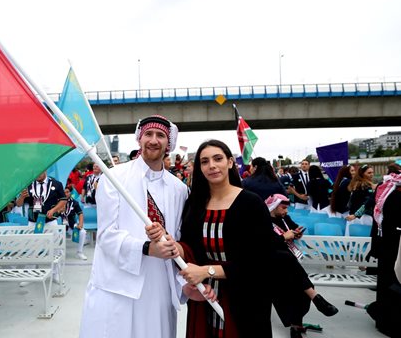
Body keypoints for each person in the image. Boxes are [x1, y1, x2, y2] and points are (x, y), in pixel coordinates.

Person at [79, 115, 188, 338]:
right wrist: (146, 248)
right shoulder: (114, 178)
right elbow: (106, 236)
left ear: (169, 143)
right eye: (148, 134)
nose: (154, 140)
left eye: (160, 136)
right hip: (119, 285)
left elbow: (178, 237)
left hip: (159, 285)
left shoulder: (179, 189)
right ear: (139, 139)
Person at [177, 139, 274, 337]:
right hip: (204, 296)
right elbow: (189, 249)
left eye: (218, 158)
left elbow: (263, 259)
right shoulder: (193, 205)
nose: (211, 165)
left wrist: (207, 271)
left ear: (230, 162)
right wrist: (191, 281)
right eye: (204, 161)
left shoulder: (251, 203)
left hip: (245, 299)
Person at [266, 194, 338, 338]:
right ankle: (316, 298)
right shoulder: (263, 220)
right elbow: (263, 243)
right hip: (270, 264)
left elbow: (293, 228)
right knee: (292, 274)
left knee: (298, 290)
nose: (286, 211)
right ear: (274, 206)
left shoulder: (284, 219)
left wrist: (297, 233)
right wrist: (282, 237)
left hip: (288, 266)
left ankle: (296, 326)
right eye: (283, 207)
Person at [367, 172, 401, 336]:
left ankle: (384, 320)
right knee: (391, 283)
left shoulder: (388, 190)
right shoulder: (393, 193)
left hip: (388, 245)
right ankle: (388, 322)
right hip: (392, 246)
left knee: (387, 283)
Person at [61, 186, 88, 260]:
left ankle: (79, 252)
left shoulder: (74, 202)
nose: (66, 194)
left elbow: (80, 214)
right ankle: (59, 252)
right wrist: (59, 210)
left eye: (67, 192)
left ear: (70, 193)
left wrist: (80, 224)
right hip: (60, 226)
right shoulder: (58, 202)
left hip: (70, 225)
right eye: (64, 192)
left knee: (83, 232)